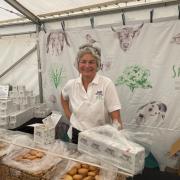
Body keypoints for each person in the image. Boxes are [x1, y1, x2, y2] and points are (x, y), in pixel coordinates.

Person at [61, 44, 122, 144]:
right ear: (78, 64)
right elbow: (63, 97)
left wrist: (119, 140)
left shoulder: (106, 84)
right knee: (76, 159)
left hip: (100, 137)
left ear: (97, 65)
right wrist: (69, 115)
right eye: (83, 62)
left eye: (91, 62)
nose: (87, 66)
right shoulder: (71, 84)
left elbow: (116, 117)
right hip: (76, 135)